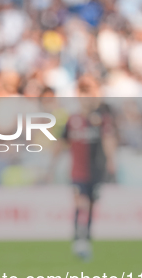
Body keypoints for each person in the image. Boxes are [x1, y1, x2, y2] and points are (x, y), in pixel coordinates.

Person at [48, 76, 117, 260]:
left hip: (96, 170)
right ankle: (78, 237)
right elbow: (62, 144)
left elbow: (108, 139)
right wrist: (51, 166)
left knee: (92, 205)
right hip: (77, 171)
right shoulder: (72, 120)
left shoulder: (101, 118)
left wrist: (111, 160)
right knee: (80, 202)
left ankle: (86, 236)